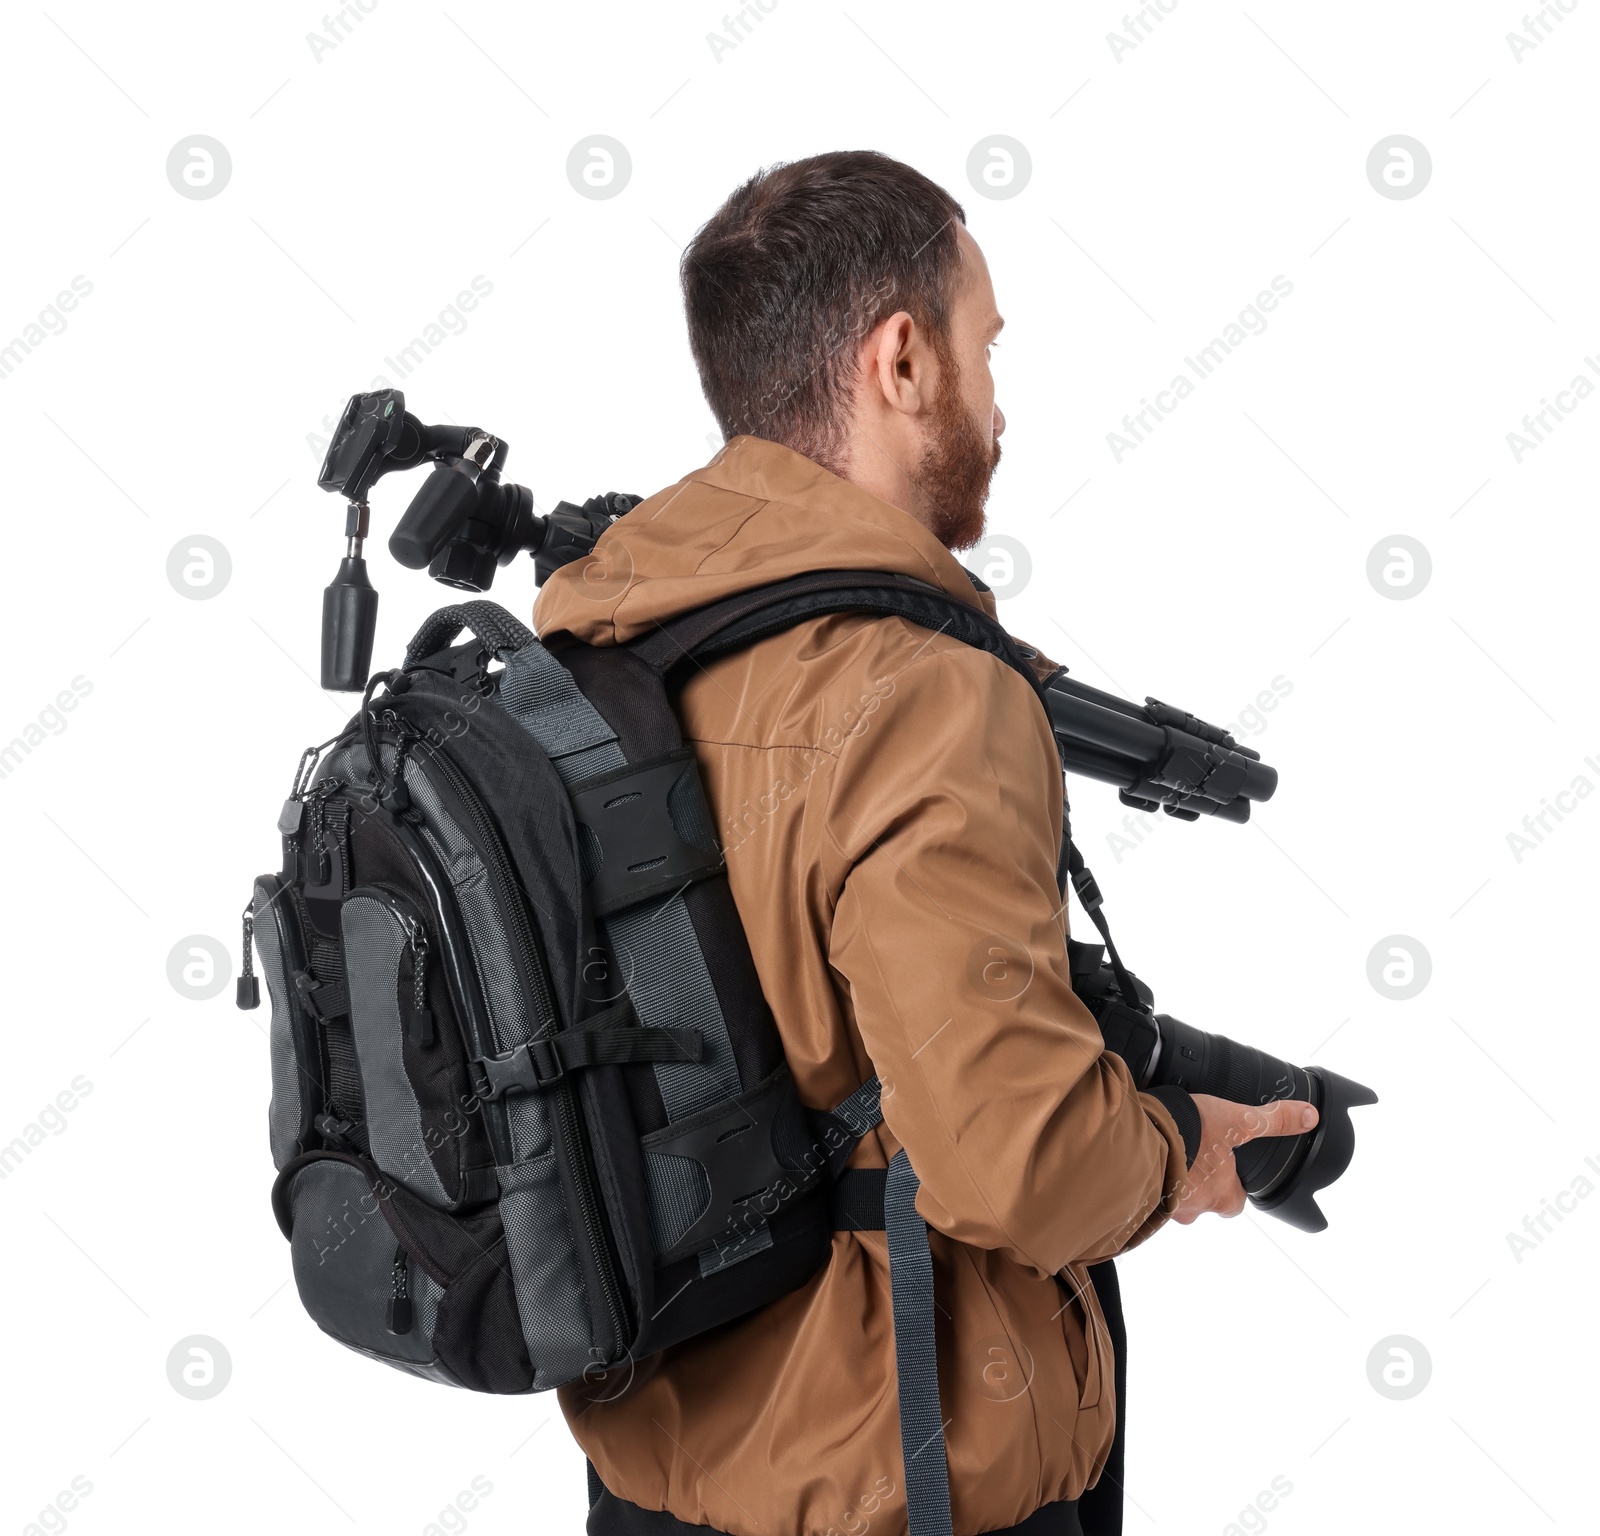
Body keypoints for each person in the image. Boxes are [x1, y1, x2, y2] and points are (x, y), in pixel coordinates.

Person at [534, 150, 1316, 1536]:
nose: (1001, 402)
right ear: (900, 359)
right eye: (986, 347)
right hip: (904, 1480)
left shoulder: (601, 641)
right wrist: (1181, 1148)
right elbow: (1016, 1164)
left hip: (648, 1481)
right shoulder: (918, 688)